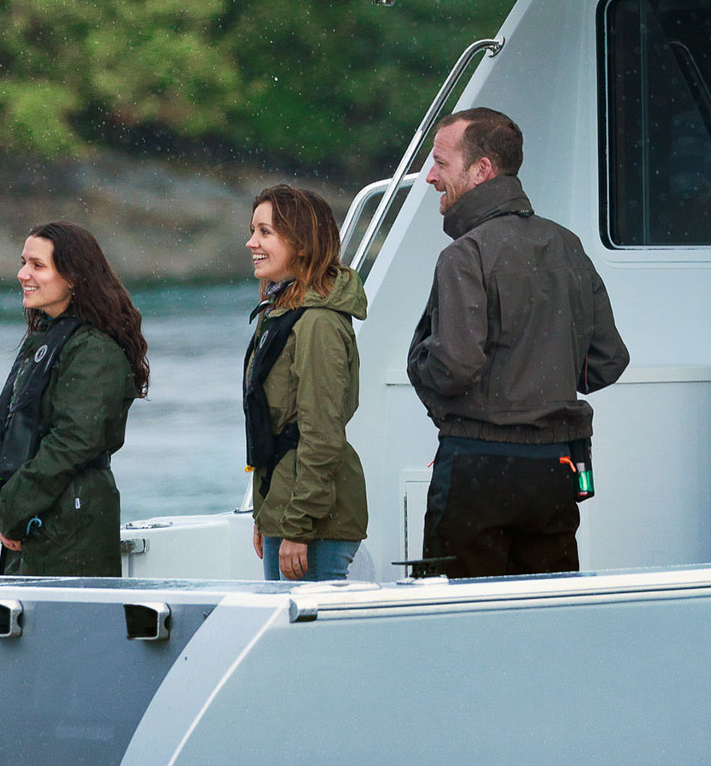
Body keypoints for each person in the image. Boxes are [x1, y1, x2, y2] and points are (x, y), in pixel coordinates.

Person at [407, 108, 629, 577]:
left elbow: (454, 366)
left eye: (441, 164)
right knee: (547, 616)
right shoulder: (567, 245)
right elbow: (608, 361)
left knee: (457, 614)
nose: (430, 177)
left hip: (478, 467)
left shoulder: (465, 254)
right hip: (557, 468)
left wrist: (419, 362)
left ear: (481, 170)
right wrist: (545, 377)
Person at [0, 221, 148, 576]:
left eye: (38, 266)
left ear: (73, 277)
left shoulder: (94, 350)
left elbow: (75, 440)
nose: (23, 274)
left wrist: (14, 507)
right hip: (37, 514)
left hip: (73, 517)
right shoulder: (46, 340)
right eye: (24, 262)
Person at [244, 184, 369, 583]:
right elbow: (275, 430)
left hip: (314, 525)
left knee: (314, 645)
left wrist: (299, 526)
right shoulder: (282, 312)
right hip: (286, 512)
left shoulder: (317, 323)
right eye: (253, 231)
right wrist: (266, 514)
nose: (251, 243)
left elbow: (321, 435)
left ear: (301, 243)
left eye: (265, 232)